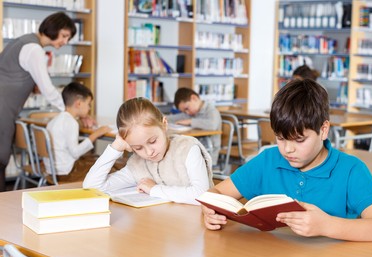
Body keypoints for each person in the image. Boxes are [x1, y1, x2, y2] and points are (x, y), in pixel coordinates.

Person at [201, 79, 372, 245]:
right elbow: (216, 192)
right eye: (280, 138)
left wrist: (326, 225)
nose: (287, 149)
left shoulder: (351, 170)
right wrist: (210, 208)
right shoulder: (268, 160)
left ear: (323, 130)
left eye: (299, 140)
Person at [0, 12, 94, 191]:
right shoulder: (34, 49)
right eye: (64, 35)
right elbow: (48, 90)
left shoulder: (24, 41)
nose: (65, 41)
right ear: (53, 29)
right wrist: (72, 111)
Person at [83, 97, 213, 205]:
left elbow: (202, 195)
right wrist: (116, 147)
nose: (149, 152)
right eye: (138, 148)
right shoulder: (138, 164)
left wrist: (154, 189)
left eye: (152, 141)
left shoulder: (187, 149)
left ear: (164, 125)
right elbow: (91, 187)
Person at [45, 82, 112, 183]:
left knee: (94, 161)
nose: (89, 109)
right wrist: (96, 134)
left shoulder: (55, 121)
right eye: (88, 104)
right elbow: (75, 153)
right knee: (106, 167)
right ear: (79, 103)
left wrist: (82, 118)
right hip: (67, 173)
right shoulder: (71, 123)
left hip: (51, 172)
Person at [166, 87, 221, 166]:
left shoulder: (211, 110)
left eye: (187, 108)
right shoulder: (191, 113)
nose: (187, 112)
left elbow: (212, 124)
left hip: (209, 153)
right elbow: (174, 118)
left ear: (194, 98)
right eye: (184, 111)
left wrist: (190, 121)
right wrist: (160, 118)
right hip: (195, 151)